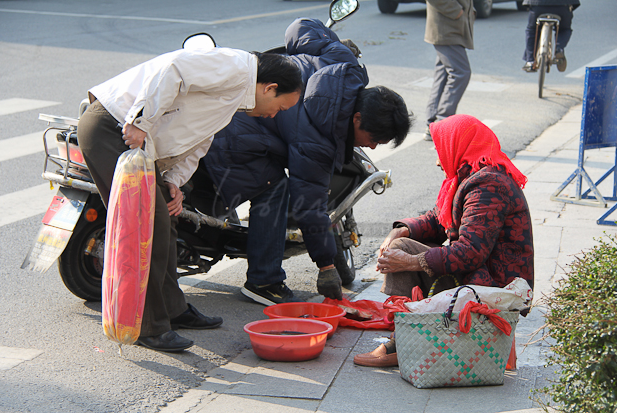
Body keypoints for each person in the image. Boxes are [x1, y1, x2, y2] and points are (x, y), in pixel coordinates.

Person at [77, 46, 303, 352]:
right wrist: (141, 120)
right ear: (269, 88)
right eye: (280, 107)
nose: (274, 115)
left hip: (133, 137)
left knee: (167, 221)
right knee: (148, 230)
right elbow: (173, 69)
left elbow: (200, 139)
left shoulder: (238, 95)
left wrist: (173, 181)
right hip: (114, 127)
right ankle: (148, 327)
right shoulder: (238, 68)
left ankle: (173, 309)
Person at [202, 18, 413, 306]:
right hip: (229, 132)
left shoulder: (341, 61)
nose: (373, 146)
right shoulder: (318, 140)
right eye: (373, 138)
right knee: (274, 188)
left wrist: (333, 42)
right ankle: (264, 281)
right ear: (357, 118)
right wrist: (326, 267)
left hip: (229, 103)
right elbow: (310, 208)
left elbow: (299, 28)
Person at [354, 114, 534, 367]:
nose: (439, 161)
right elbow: (440, 220)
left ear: (458, 145)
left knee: (402, 251)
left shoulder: (488, 185)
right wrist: (402, 229)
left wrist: (411, 262)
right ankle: (405, 331)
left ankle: (402, 342)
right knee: (402, 243)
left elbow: (469, 252)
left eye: (441, 150)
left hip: (492, 287)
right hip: (480, 276)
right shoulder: (470, 176)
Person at [422, 0, 475, 142]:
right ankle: (442, 123)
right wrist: (457, 11)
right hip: (447, 27)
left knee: (444, 73)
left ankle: (433, 125)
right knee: (460, 73)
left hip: (452, 26)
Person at [521, 0, 580, 73]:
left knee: (532, 30)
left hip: (538, 6)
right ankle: (559, 49)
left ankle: (530, 61)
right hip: (562, 6)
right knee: (564, 29)